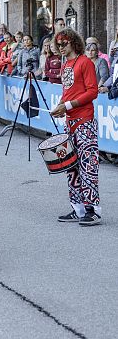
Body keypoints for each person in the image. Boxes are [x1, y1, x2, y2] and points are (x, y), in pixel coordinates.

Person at [50, 29, 101, 226]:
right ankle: (77, 208)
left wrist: (68, 105)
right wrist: (61, 105)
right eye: (58, 44)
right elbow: (67, 91)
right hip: (70, 121)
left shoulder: (85, 62)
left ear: (73, 43)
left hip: (85, 121)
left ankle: (92, 210)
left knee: (88, 166)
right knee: (70, 166)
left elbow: (92, 92)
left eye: (64, 43)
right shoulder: (66, 65)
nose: (61, 48)